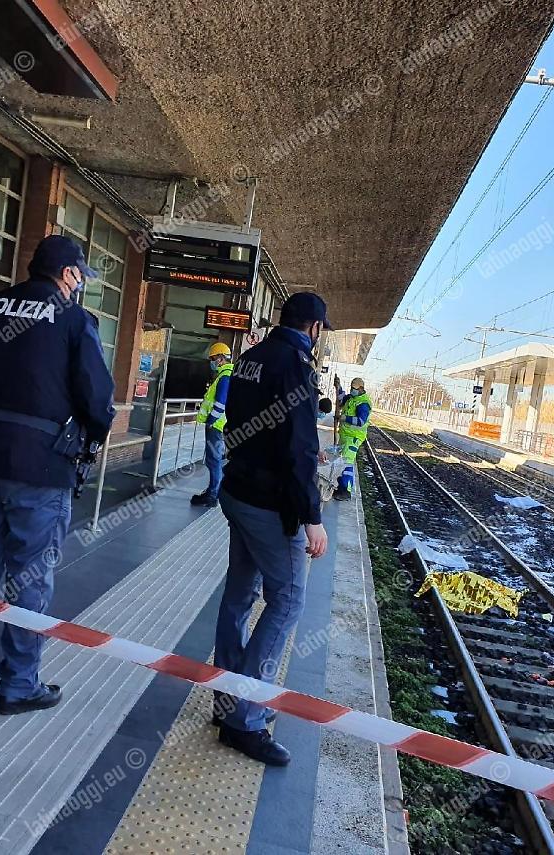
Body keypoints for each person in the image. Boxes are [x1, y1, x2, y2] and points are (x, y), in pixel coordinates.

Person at [0, 234, 115, 715]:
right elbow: (98, 398)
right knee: (30, 577)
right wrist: (91, 433)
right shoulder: (74, 320)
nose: (81, 287)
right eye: (81, 278)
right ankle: (18, 683)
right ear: (70, 275)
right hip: (42, 463)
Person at [212, 291, 331, 766]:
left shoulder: (251, 357)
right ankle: (245, 717)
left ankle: (226, 697)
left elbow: (253, 429)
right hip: (268, 504)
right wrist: (313, 518)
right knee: (287, 600)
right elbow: (300, 448)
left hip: (237, 490)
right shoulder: (297, 366)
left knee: (240, 595)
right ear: (315, 328)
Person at [191, 342, 233, 507]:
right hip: (220, 425)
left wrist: (211, 421)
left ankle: (212, 495)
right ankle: (213, 492)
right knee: (214, 460)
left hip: (216, 426)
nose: (212, 362)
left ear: (221, 359)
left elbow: (220, 403)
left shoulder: (225, 376)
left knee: (213, 460)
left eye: (214, 358)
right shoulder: (227, 374)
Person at [333, 377, 373, 501]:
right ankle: (341, 486)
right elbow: (341, 398)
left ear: (361, 388)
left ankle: (346, 491)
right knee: (341, 460)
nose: (352, 390)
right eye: (351, 387)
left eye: (354, 388)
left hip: (354, 437)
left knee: (347, 462)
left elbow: (361, 421)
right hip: (345, 435)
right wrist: (338, 386)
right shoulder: (351, 398)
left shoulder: (363, 403)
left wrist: (345, 418)